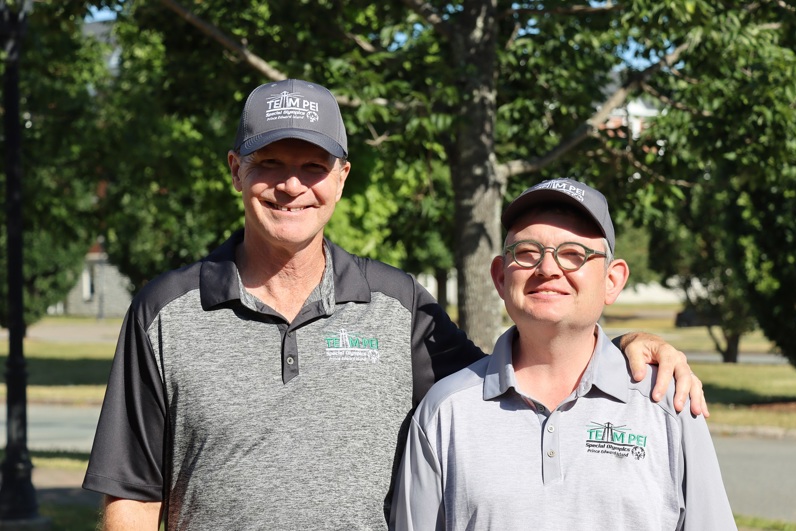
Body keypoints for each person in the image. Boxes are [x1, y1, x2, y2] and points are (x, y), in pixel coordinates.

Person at [82, 79, 706, 530]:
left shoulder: (397, 305)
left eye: (313, 165)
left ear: (342, 176)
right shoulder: (166, 311)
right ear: (235, 171)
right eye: (269, 163)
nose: (292, 185)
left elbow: (526, 363)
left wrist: (623, 344)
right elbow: (132, 495)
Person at [391, 178, 735, 530]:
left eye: (574, 254)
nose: (548, 268)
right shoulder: (444, 412)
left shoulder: (668, 405)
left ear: (612, 281)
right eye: (526, 252)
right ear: (499, 277)